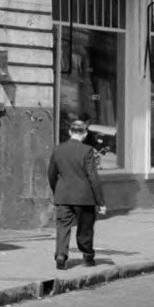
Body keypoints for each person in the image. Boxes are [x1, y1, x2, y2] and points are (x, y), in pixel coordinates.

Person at [49, 115, 106, 271]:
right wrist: (100, 201)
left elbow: (51, 174)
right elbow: (92, 177)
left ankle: (61, 255)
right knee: (85, 228)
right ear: (85, 133)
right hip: (84, 197)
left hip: (63, 196)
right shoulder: (87, 150)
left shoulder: (58, 149)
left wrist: (57, 190)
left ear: (69, 131)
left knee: (62, 227)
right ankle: (87, 257)